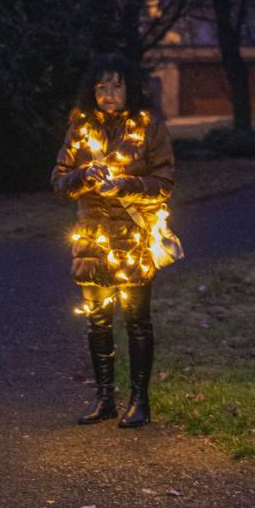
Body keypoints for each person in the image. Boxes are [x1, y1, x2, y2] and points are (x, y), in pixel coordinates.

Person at [51, 52, 175, 428]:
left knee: (137, 321)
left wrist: (126, 184)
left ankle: (139, 401)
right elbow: (59, 182)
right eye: (101, 86)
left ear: (130, 89)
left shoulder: (149, 127)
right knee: (97, 321)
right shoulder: (80, 128)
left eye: (116, 86)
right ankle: (104, 398)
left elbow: (164, 183)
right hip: (91, 240)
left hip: (133, 241)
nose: (108, 93)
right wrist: (83, 175)